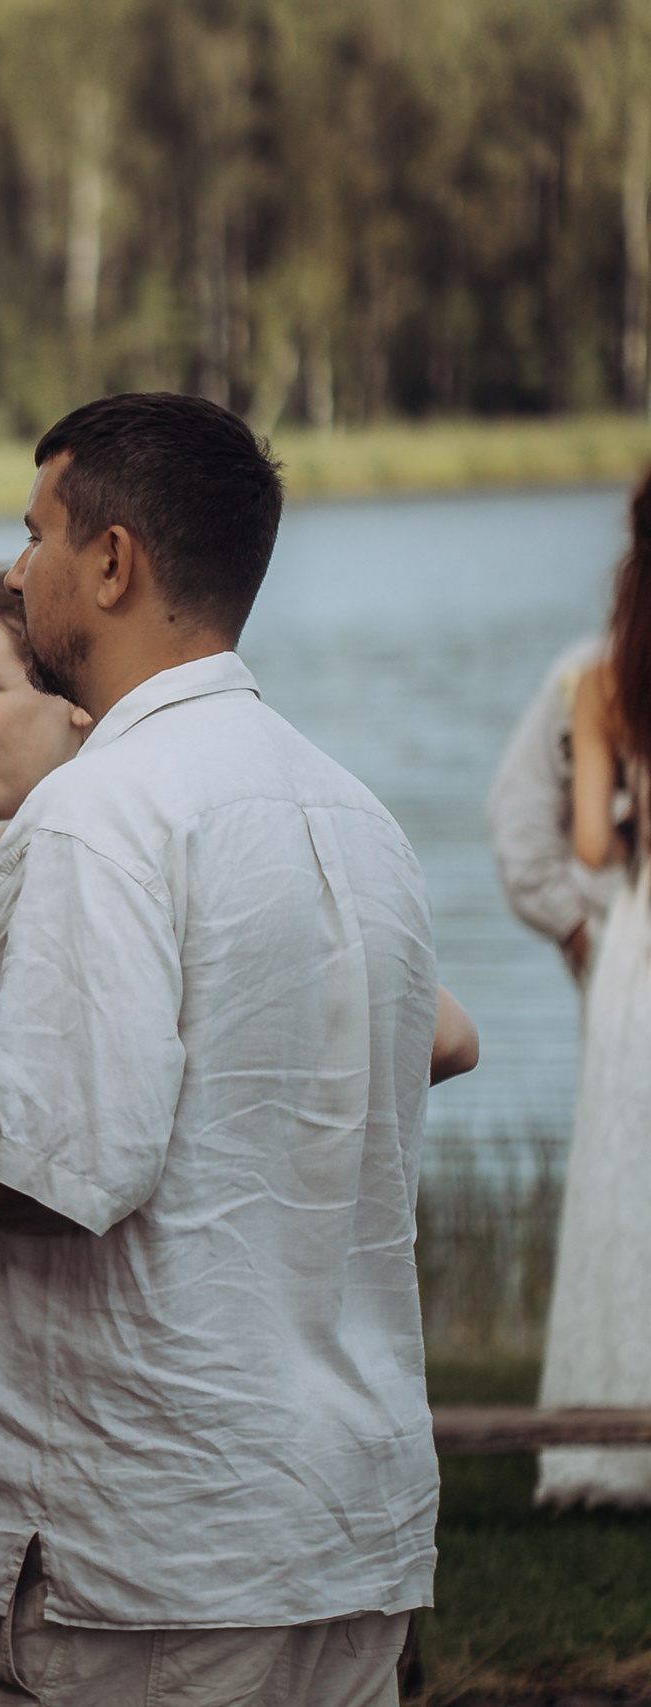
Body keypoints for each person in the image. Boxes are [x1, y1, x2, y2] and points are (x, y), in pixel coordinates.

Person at [0, 569, 479, 1707]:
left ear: (75, 705)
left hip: (100, 1369)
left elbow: (442, 1032)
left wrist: (195, 1100)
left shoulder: (146, 848)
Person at [536, 469, 651, 1509]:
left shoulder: (602, 683)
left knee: (630, 1173)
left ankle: (617, 1438)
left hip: (639, 950)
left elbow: (587, 847)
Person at [490, 638, 621, 983]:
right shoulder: (590, 677)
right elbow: (521, 824)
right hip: (618, 955)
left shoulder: (593, 680)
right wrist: (581, 934)